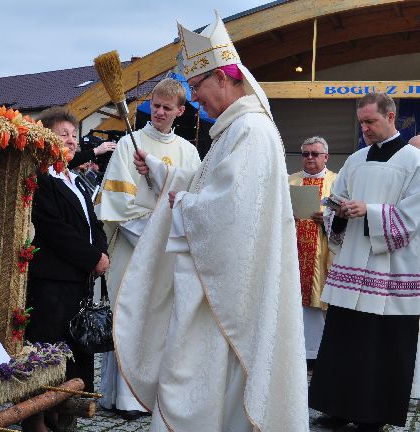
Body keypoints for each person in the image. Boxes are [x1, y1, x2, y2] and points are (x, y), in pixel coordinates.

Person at [115, 13, 309, 431]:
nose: (195, 99)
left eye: (198, 87)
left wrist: (182, 203)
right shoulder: (236, 130)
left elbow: (232, 213)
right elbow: (213, 185)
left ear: (223, 77)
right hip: (223, 288)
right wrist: (165, 174)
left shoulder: (252, 131)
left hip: (230, 299)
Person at [308, 92, 420, 431]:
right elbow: (335, 204)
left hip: (393, 271)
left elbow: (412, 218)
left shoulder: (414, 162)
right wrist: (338, 213)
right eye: (361, 123)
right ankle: (336, 407)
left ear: (391, 117)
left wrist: (369, 211)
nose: (365, 129)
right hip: (354, 265)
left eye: (370, 121)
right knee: (345, 339)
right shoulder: (355, 160)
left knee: (381, 344)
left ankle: (374, 415)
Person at [95, 77, 200, 420]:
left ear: (180, 112)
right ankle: (124, 397)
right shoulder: (130, 143)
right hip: (135, 247)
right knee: (132, 315)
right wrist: (153, 234)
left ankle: (156, 397)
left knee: (163, 322)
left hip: (170, 253)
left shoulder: (188, 151)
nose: (159, 112)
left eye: (167, 108)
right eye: (155, 106)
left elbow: (194, 202)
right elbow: (117, 203)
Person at [23, 106, 108, 432]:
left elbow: (92, 222)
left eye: (74, 135)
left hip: (79, 283)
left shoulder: (74, 179)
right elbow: (55, 229)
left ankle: (66, 416)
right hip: (53, 284)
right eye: (64, 135)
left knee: (76, 355)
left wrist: (101, 251)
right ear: (47, 139)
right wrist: (91, 258)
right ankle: (38, 419)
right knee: (49, 353)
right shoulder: (42, 181)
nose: (71, 141)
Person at [288, 136, 337, 368]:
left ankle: (318, 354)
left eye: (314, 154)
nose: (309, 158)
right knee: (293, 303)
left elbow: (346, 217)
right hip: (293, 253)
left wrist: (328, 219)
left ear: (325, 157)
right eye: (305, 154)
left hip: (323, 253)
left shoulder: (336, 182)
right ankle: (295, 350)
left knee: (319, 304)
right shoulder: (291, 181)